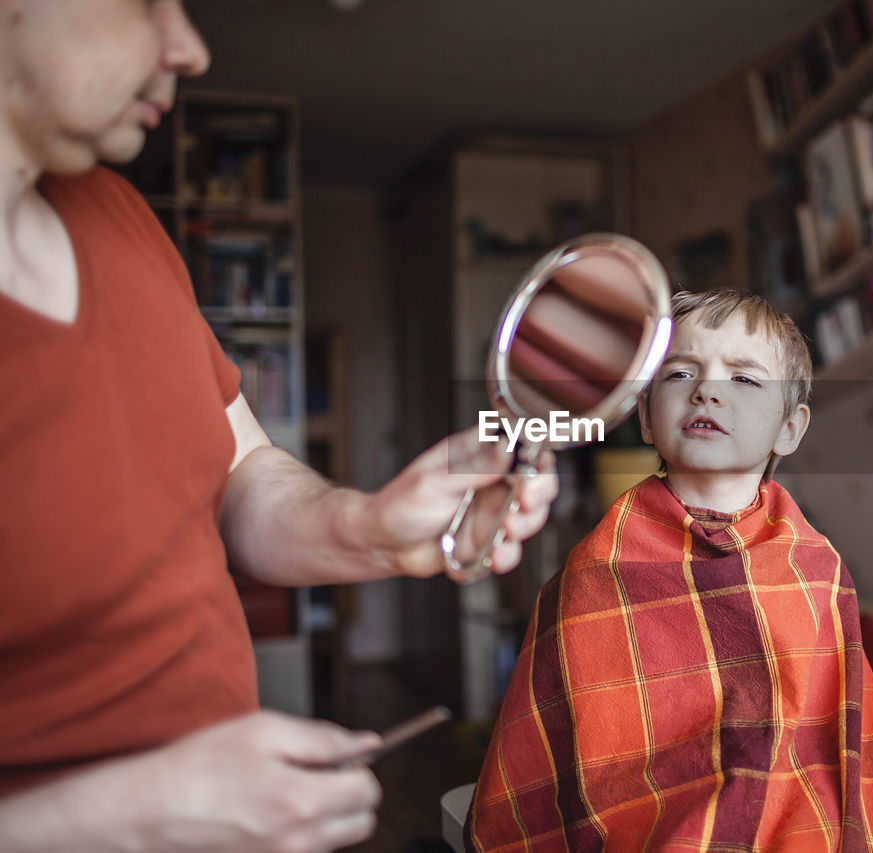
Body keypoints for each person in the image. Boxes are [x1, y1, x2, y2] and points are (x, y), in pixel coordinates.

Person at [0, 2, 556, 851]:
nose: (188, 48)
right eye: (148, 2)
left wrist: (367, 529)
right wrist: (129, 816)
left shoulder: (119, 215)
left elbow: (238, 471)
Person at [467, 290, 873, 851]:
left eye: (745, 379)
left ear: (790, 427)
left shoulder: (816, 566)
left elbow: (831, 743)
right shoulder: (600, 565)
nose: (707, 389)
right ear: (645, 416)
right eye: (680, 373)